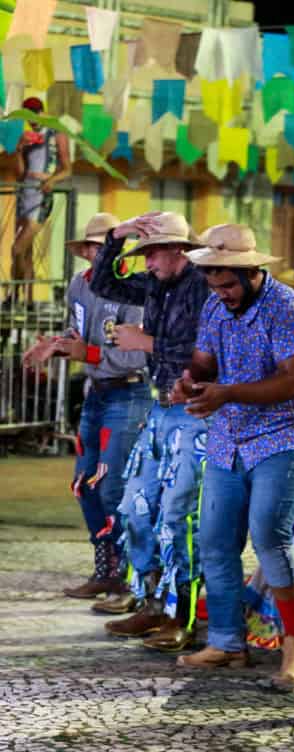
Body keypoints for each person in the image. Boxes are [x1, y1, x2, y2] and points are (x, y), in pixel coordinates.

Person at [171, 224, 294, 687]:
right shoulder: (215, 304)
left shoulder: (288, 307)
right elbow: (204, 362)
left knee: (269, 537)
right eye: (214, 284)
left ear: (253, 272)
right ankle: (226, 642)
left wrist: (226, 392)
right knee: (215, 540)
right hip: (228, 437)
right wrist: (188, 381)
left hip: (283, 436)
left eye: (229, 283)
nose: (222, 292)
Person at [89, 212, 211, 651]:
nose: (147, 262)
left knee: (179, 515)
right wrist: (117, 236)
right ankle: (151, 602)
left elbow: (209, 353)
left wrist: (148, 343)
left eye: (152, 252)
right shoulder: (157, 284)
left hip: (196, 413)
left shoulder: (204, 285)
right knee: (136, 508)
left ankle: (185, 614)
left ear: (178, 250)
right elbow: (103, 283)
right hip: (160, 410)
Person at [23, 213, 150, 604]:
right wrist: (58, 346)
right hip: (97, 392)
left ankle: (133, 575)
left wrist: (86, 352)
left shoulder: (134, 292)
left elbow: (139, 357)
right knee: (84, 483)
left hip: (129, 394)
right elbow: (77, 333)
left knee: (113, 486)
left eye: (101, 247)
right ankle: (107, 569)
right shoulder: (79, 285)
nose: (96, 254)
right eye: (91, 248)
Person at [9, 97, 71, 298]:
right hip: (25, 191)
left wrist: (52, 180)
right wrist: (19, 150)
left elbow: (67, 168)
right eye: (29, 117)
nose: (33, 121)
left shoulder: (55, 132)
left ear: (42, 113)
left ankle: (13, 294)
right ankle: (27, 299)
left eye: (35, 115)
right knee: (25, 253)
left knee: (17, 248)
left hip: (42, 192)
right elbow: (19, 173)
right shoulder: (27, 136)